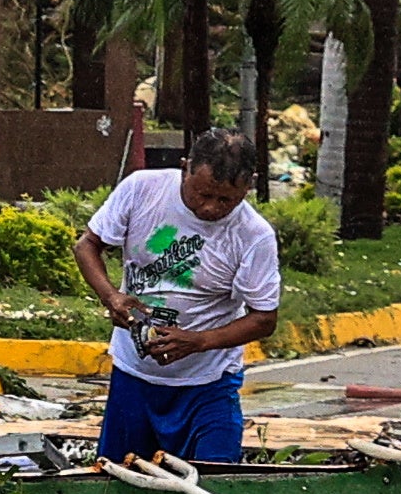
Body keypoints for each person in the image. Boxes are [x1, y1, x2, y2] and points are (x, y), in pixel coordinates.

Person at [73, 121, 281, 466]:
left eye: (226, 200)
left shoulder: (254, 235)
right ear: (185, 169)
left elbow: (263, 319)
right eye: (202, 194)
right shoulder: (142, 189)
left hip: (208, 382)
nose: (211, 208)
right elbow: (87, 246)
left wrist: (198, 341)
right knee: (120, 481)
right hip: (133, 375)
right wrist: (112, 296)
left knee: (215, 481)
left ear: (248, 187)